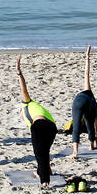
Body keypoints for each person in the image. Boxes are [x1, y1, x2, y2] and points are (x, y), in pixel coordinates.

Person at [17, 56, 57, 186]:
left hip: (40, 125)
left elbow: (23, 89)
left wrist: (19, 72)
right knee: (45, 151)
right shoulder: (35, 111)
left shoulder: (26, 103)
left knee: (39, 154)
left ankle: (44, 181)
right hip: (52, 127)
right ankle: (47, 171)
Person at [70, 44, 97, 157]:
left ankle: (75, 152)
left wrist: (87, 56)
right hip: (87, 104)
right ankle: (90, 146)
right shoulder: (94, 107)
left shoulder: (88, 91)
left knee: (76, 126)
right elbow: (94, 129)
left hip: (77, 100)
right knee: (90, 126)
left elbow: (86, 73)